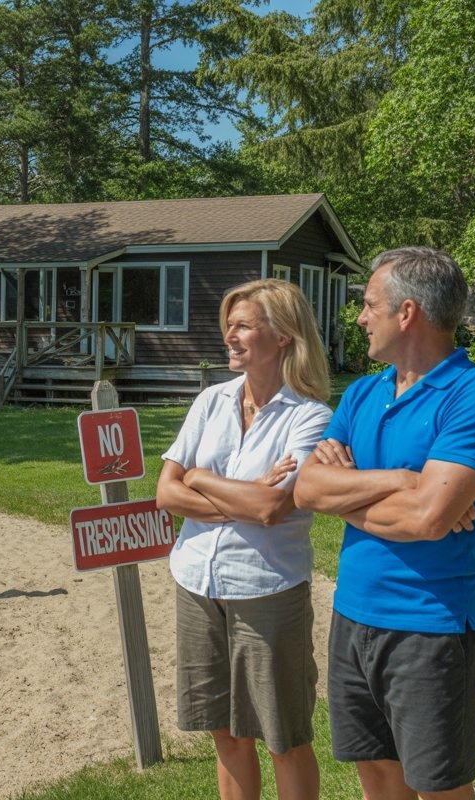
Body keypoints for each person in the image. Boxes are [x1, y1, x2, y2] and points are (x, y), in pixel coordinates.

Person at [294, 247, 475, 800]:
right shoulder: (364, 391)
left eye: (369, 305)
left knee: (438, 788)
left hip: (432, 627)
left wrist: (350, 492)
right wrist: (400, 479)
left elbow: (428, 519)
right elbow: (305, 488)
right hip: (352, 616)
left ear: (407, 312)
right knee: (376, 775)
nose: (360, 317)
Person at [156, 279, 331, 800]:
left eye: (242, 326)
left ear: (282, 335)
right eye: (227, 326)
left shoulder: (311, 416)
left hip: (267, 591)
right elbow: (165, 493)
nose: (229, 337)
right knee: (223, 731)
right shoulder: (211, 401)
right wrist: (242, 495)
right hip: (196, 582)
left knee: (283, 738)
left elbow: (272, 507)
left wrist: (202, 479)